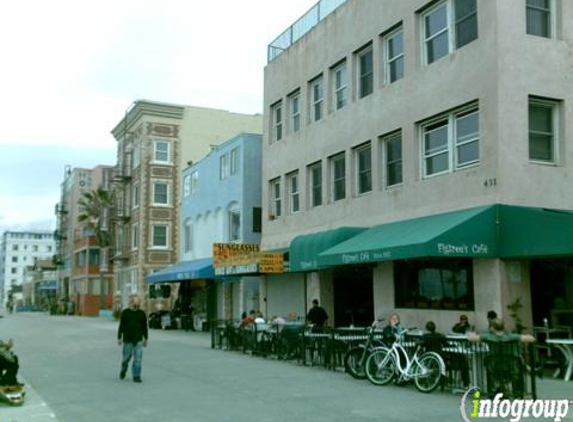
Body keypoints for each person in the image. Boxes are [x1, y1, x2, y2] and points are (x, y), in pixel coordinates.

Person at [117, 295, 148, 383]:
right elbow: (121, 326)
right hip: (128, 339)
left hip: (138, 340)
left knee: (138, 359)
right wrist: (119, 337)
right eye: (135, 304)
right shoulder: (125, 313)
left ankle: (136, 376)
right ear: (131, 303)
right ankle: (123, 369)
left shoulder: (142, 313)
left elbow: (144, 327)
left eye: (138, 305)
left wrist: (146, 339)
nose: (137, 307)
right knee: (126, 358)